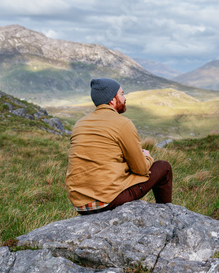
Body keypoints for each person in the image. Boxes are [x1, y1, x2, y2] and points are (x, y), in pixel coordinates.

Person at [66, 78, 172, 215]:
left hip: (80, 204)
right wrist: (146, 156)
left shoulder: (80, 124)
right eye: (122, 94)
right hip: (106, 201)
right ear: (112, 100)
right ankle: (168, 216)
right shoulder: (123, 123)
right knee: (164, 167)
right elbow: (141, 169)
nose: (125, 98)